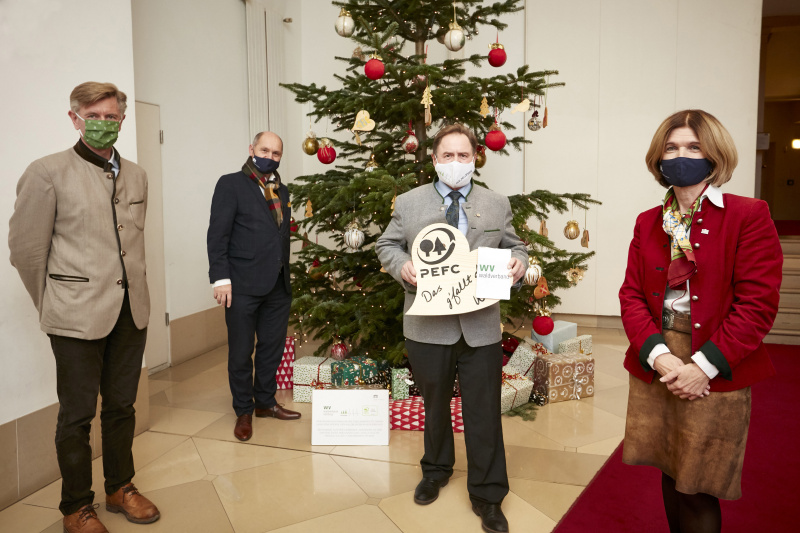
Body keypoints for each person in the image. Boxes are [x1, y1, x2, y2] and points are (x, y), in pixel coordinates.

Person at [619, 109, 783, 532]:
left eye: (694, 147)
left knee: (698, 485)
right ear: (659, 158)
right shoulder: (648, 221)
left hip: (714, 364)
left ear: (715, 155)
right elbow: (631, 295)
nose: (681, 156)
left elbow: (757, 305)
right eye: (672, 148)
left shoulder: (748, 214)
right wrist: (659, 357)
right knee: (670, 469)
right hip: (659, 361)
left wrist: (701, 368)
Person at [9, 82, 160, 533]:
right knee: (76, 416)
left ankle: (120, 487)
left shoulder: (137, 175)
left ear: (122, 120)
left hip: (130, 311)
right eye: (92, 115)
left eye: (111, 116)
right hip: (74, 316)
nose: (102, 123)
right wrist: (55, 303)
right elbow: (26, 251)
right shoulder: (47, 172)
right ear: (74, 118)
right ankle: (76, 506)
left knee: (122, 406)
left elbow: (130, 244)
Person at [376, 123, 527, 533]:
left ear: (475, 157)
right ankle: (436, 470)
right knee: (435, 405)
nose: (455, 162)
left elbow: (515, 246)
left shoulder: (496, 203)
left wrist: (519, 263)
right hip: (427, 327)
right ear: (434, 159)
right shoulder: (410, 202)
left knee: (484, 412)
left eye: (463, 155)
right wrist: (401, 266)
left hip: (481, 327)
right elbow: (386, 245)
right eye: (448, 155)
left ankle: (488, 495)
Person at [207, 131, 300, 442]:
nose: (269, 157)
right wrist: (221, 279)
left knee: (272, 348)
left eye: (276, 153)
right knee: (241, 351)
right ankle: (243, 410)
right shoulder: (230, 184)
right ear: (251, 149)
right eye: (264, 150)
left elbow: (278, 236)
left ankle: (265, 402)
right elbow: (217, 235)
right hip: (241, 284)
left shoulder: (282, 190)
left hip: (278, 284)